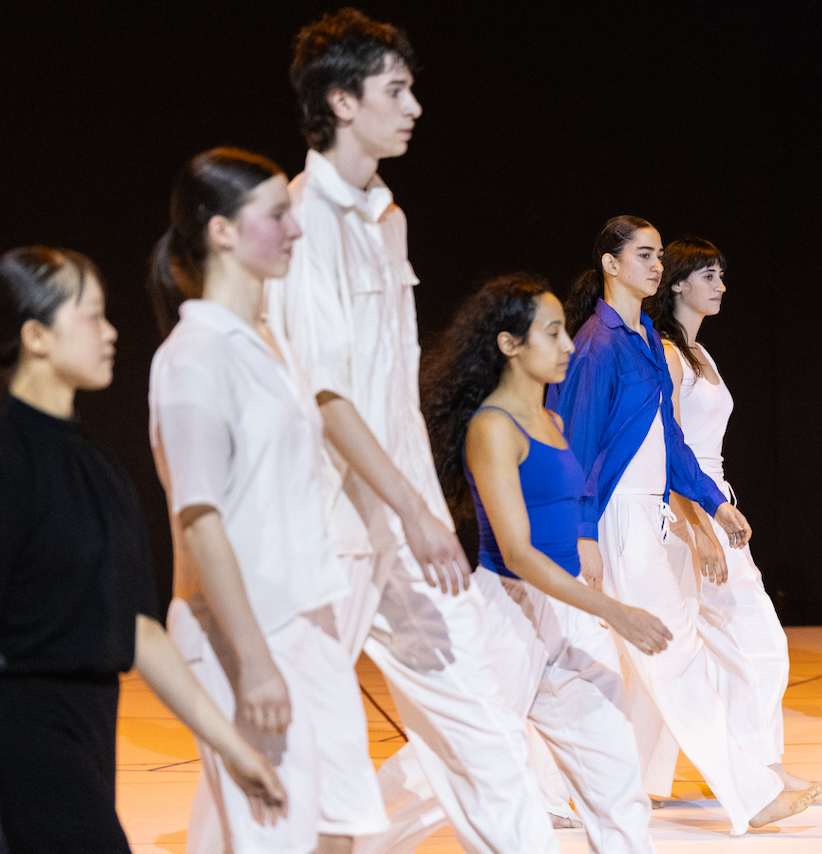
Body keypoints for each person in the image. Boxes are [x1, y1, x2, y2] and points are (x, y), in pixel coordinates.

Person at [264, 10, 560, 853]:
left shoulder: (388, 218)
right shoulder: (299, 224)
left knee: (486, 730)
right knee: (302, 761)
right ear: (341, 100)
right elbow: (326, 396)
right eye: (395, 90)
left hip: (404, 524)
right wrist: (413, 508)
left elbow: (389, 394)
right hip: (327, 532)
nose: (415, 107)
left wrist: (416, 507)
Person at [0, 245, 286, 852]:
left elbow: (140, 632)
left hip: (89, 732)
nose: (110, 332)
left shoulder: (101, 470)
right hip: (22, 735)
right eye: (91, 316)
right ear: (35, 336)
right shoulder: (10, 459)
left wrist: (234, 750)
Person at [547, 215, 822, 835]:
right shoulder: (597, 343)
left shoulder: (644, 336)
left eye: (657, 255)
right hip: (615, 517)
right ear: (610, 264)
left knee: (599, 660)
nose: (655, 265)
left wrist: (714, 503)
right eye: (643, 255)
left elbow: (670, 440)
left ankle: (545, 790)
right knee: (670, 654)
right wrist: (583, 533)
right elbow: (576, 446)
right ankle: (750, 795)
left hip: (650, 515)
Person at [148, 148, 387, 853]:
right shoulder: (194, 356)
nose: (296, 228)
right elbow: (200, 520)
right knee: (277, 837)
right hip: (241, 630)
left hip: (309, 622)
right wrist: (253, 660)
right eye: (277, 215)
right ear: (221, 231)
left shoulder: (272, 342)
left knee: (346, 831)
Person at [424, 273, 668, 852]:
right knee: (449, 773)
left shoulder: (552, 422)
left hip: (566, 609)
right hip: (509, 611)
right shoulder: (491, 427)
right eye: (553, 333)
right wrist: (615, 610)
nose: (567, 346)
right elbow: (518, 553)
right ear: (509, 344)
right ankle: (341, 838)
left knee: (615, 775)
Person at [640, 237, 822, 796]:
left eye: (721, 275)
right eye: (708, 276)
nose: (721, 286)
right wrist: (700, 527)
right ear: (678, 283)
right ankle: (757, 772)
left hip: (713, 503)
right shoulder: (669, 354)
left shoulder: (701, 353)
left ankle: (746, 770)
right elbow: (669, 451)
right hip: (687, 513)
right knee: (739, 639)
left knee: (724, 642)